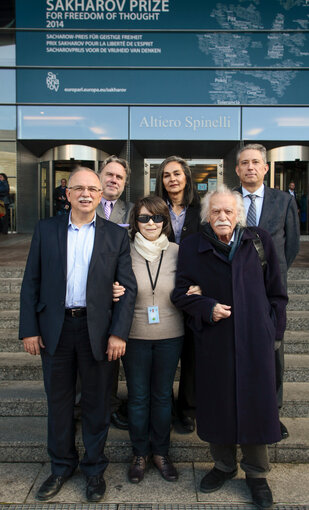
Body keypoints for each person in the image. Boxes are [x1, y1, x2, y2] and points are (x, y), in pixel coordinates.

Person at [19, 167, 137, 502]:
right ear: (67, 194)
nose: (86, 194)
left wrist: (118, 334)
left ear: (101, 196)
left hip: (96, 331)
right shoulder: (46, 229)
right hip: (55, 330)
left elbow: (127, 288)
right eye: (79, 188)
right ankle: (60, 467)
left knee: (97, 405)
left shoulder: (115, 235)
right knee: (58, 403)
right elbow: (31, 282)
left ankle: (95, 469)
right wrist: (29, 329)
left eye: (93, 189)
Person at [172, 186, 288, 510]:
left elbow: (277, 293)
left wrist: (273, 333)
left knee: (256, 404)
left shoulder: (259, 241)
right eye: (216, 212)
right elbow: (180, 293)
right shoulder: (192, 246)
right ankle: (224, 465)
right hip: (215, 341)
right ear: (207, 216)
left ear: (238, 214)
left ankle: (256, 474)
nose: (222, 217)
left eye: (228, 212)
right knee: (219, 404)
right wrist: (206, 306)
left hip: (255, 340)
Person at [114, 196, 198, 484]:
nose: (151, 223)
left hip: (171, 335)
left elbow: (192, 282)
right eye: (145, 218)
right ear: (135, 221)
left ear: (165, 222)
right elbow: (107, 281)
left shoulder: (178, 251)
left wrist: (197, 289)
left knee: (162, 397)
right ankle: (139, 453)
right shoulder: (122, 251)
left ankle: (161, 452)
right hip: (134, 334)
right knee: (138, 397)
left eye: (158, 218)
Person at [235, 144, 300, 439]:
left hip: (271, 289)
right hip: (235, 287)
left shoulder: (283, 200)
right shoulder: (228, 199)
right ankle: (239, 406)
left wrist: (272, 272)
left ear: (265, 168)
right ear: (237, 170)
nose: (250, 167)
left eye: (255, 163)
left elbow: (292, 244)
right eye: (244, 163)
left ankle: (273, 412)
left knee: (274, 351)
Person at [155, 156, 201, 433]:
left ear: (186, 177)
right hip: (159, 288)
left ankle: (187, 408)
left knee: (192, 353)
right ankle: (163, 404)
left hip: (193, 289)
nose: (172, 179)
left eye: (177, 174)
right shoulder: (155, 209)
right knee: (164, 352)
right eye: (166, 175)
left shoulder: (200, 210)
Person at [97, 155, 134, 430]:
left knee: (111, 355)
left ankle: (109, 405)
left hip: (121, 294)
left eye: (119, 177)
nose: (113, 180)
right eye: (109, 174)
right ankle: (79, 406)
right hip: (89, 295)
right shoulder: (83, 204)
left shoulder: (133, 211)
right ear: (100, 176)